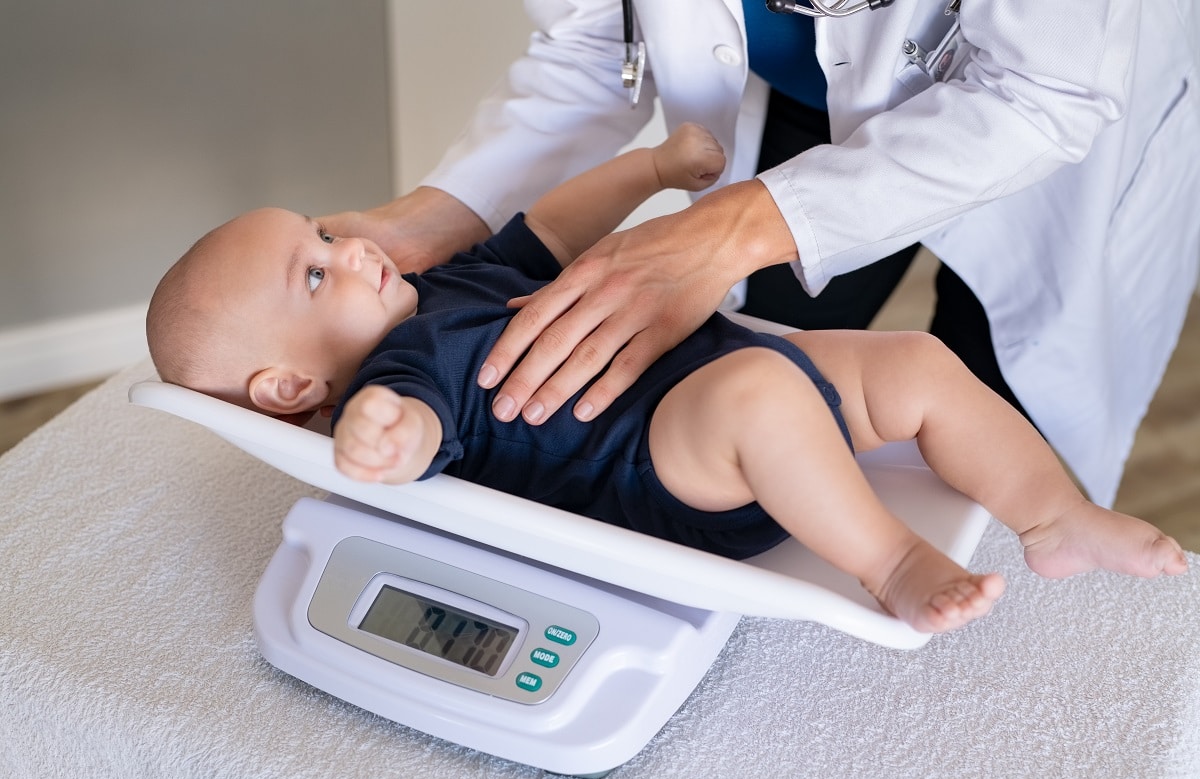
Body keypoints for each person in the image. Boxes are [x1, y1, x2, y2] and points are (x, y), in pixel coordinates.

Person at [147, 124, 1187, 636]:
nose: (353, 245)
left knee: (916, 360)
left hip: (717, 368)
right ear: (288, 389)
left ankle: (1054, 515)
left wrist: (647, 171)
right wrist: (378, 429)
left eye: (325, 229)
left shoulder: (444, 284)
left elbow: (549, 229)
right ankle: (890, 563)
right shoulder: (402, 366)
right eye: (317, 271)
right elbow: (416, 434)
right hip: (664, 467)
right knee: (762, 400)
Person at [320, 0, 1200, 511]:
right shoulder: (424, 344)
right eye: (311, 261)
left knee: (1005, 435)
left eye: (313, 258)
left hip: (1050, 130)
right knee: (784, 390)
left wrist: (724, 221)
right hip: (793, 89)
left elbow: (1041, 95)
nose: (335, 256)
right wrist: (434, 217)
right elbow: (596, 43)